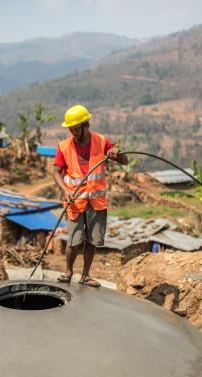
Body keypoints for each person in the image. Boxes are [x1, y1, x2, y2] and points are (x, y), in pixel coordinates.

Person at [53, 104, 128, 287]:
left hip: (96, 201)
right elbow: (56, 173)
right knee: (74, 240)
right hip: (75, 201)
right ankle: (68, 271)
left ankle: (85, 275)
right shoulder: (64, 147)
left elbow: (124, 161)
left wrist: (116, 154)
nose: (72, 132)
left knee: (92, 240)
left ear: (85, 124)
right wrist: (65, 190)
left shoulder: (101, 142)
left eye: (75, 128)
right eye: (70, 128)